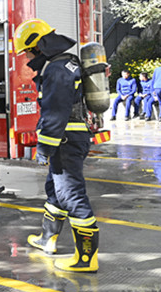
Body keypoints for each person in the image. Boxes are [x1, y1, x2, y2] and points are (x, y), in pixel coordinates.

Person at [14, 18, 98, 272]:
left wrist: (44, 148)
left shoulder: (57, 69)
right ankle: (47, 239)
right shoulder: (65, 62)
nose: (27, 56)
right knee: (55, 190)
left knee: (71, 195)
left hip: (65, 140)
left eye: (27, 51)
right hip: (70, 138)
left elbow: (55, 113)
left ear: (38, 46)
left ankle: (86, 258)